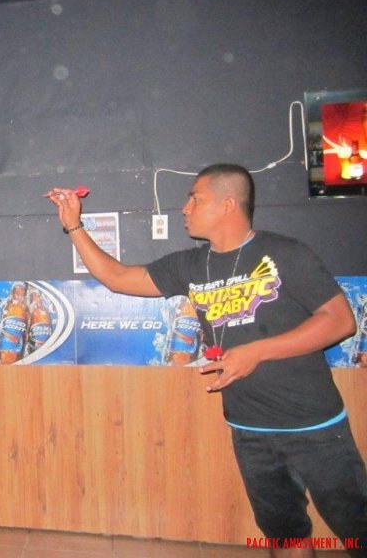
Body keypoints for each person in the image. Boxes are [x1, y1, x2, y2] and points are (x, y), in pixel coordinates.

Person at [46, 164, 367, 557]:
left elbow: (340, 321)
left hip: (314, 427)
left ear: (228, 205)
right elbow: (118, 277)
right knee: (285, 536)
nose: (185, 208)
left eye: (195, 198)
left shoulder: (286, 253)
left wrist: (256, 352)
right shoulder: (192, 265)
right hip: (249, 429)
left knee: (358, 530)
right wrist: (74, 226)